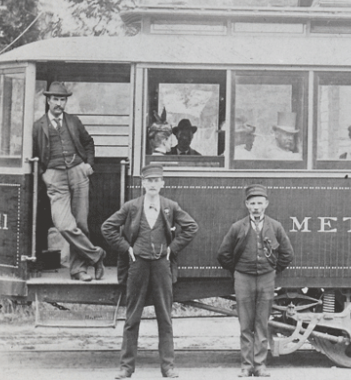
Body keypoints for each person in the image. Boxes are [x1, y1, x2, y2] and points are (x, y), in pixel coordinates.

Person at [102, 164, 199, 379]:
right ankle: (126, 368)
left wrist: (172, 249)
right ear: (143, 183)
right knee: (132, 317)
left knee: (164, 316)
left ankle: (168, 367)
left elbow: (191, 227)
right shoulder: (131, 207)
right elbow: (107, 227)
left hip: (161, 266)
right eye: (149, 180)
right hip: (138, 265)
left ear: (162, 183)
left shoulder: (170, 206)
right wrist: (127, 248)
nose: (153, 184)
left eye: (157, 180)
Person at [31, 81, 106, 281]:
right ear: (48, 100)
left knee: (81, 222)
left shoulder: (73, 121)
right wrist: (44, 173)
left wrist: (88, 164)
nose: (59, 104)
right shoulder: (38, 126)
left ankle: (78, 270)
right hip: (55, 176)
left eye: (62, 100)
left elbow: (89, 142)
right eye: (55, 99)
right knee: (63, 224)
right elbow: (33, 154)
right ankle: (96, 255)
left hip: (78, 172)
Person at [217, 185, 295, 378]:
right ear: (247, 205)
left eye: (260, 203)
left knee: (261, 323)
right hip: (243, 279)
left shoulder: (275, 226)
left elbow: (287, 254)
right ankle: (246, 366)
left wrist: (273, 269)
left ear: (266, 204)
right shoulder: (238, 227)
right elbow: (223, 254)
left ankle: (259, 366)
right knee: (245, 324)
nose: (256, 207)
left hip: (267, 279)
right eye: (252, 203)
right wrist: (238, 269)